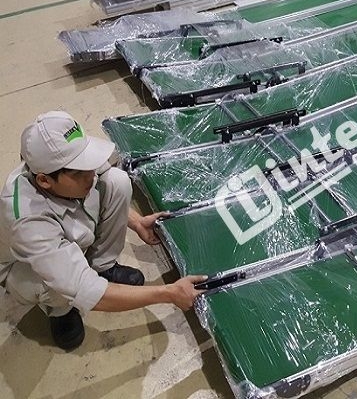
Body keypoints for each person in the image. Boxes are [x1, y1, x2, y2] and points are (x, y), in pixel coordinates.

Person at [0, 111, 207, 350]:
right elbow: (85, 288)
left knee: (117, 180)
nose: (91, 175)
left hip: (61, 230)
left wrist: (137, 222)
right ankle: (60, 311)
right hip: (25, 268)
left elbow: (99, 177)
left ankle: (103, 266)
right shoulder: (27, 220)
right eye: (79, 172)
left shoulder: (62, 164)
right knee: (53, 283)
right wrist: (168, 293)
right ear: (44, 181)